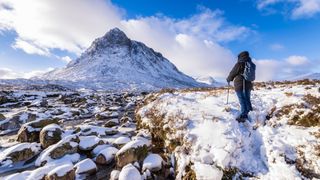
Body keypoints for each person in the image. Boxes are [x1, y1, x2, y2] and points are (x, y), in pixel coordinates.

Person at [227, 51, 255, 122]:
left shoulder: (239, 63)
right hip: (248, 84)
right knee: (247, 99)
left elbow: (233, 72)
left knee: (242, 100)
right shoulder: (250, 64)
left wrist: (229, 79)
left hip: (240, 84)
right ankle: (250, 112)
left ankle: (243, 115)